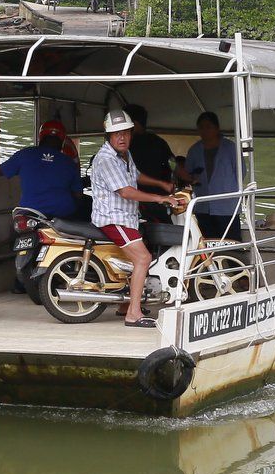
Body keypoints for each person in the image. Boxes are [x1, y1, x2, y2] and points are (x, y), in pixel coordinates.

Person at [88, 109, 179, 328]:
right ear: (108, 136)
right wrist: (160, 198)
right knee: (143, 259)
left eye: (126, 133)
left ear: (131, 133)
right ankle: (133, 314)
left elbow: (136, 175)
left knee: (136, 258)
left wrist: (161, 184)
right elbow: (126, 191)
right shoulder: (106, 159)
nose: (121, 137)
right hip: (113, 219)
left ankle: (125, 305)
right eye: (116, 133)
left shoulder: (124, 155)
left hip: (127, 217)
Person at [0, 119, 86, 219]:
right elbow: (78, 195)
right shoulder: (68, 162)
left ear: (41, 136)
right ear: (62, 141)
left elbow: (1, 170)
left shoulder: (25, 154)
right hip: (62, 214)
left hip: (29, 211)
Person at [180, 110, 244, 240]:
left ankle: (232, 261)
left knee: (231, 242)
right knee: (208, 242)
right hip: (203, 205)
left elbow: (241, 172)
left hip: (227, 206)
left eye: (208, 127)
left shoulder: (230, 148)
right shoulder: (194, 150)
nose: (205, 131)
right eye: (201, 128)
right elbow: (188, 173)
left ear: (217, 128)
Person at [123, 105, 176, 224]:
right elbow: (173, 163)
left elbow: (133, 176)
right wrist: (167, 183)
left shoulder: (126, 146)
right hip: (160, 198)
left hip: (138, 201)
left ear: (134, 123)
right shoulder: (158, 141)